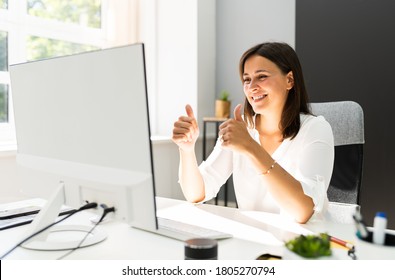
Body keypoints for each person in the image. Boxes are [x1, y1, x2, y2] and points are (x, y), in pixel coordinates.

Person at [172, 42, 334, 223]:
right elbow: (197, 193)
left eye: (262, 77)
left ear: (289, 80)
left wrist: (250, 147)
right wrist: (186, 150)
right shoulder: (242, 129)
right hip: (254, 240)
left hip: (305, 243)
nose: (251, 87)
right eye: (247, 79)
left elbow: (304, 211)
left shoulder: (316, 129)